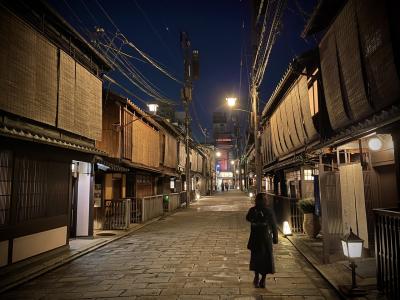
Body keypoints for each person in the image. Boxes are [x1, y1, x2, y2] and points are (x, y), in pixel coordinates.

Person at [246, 193, 278, 288]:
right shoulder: (259, 210)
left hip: (260, 236)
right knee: (263, 258)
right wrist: (275, 237)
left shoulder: (258, 210)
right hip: (262, 237)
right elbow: (273, 224)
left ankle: (259, 278)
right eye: (264, 199)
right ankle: (260, 278)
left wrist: (275, 236)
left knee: (259, 258)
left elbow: (273, 223)